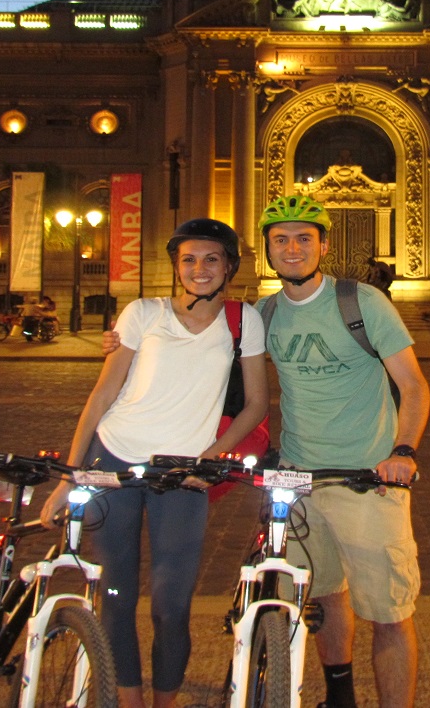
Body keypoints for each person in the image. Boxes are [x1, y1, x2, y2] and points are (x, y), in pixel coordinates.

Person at [41, 218, 268, 708]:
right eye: (188, 259)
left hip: (182, 476)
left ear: (228, 265)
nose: (199, 269)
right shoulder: (142, 313)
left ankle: (166, 700)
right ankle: (129, 700)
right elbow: (102, 395)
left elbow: (256, 405)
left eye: (211, 259)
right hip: (114, 456)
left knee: (171, 604)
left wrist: (211, 454)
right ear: (176, 266)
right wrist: (70, 478)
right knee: (116, 595)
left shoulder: (243, 321)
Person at [258, 194, 430, 708]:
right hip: (297, 481)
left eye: (303, 238)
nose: (292, 249)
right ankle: (340, 696)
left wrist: (403, 450)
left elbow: (414, 387)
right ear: (267, 249)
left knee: (389, 612)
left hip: (367, 479)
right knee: (326, 593)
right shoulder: (264, 312)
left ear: (323, 245)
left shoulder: (362, 303)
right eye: (281, 239)